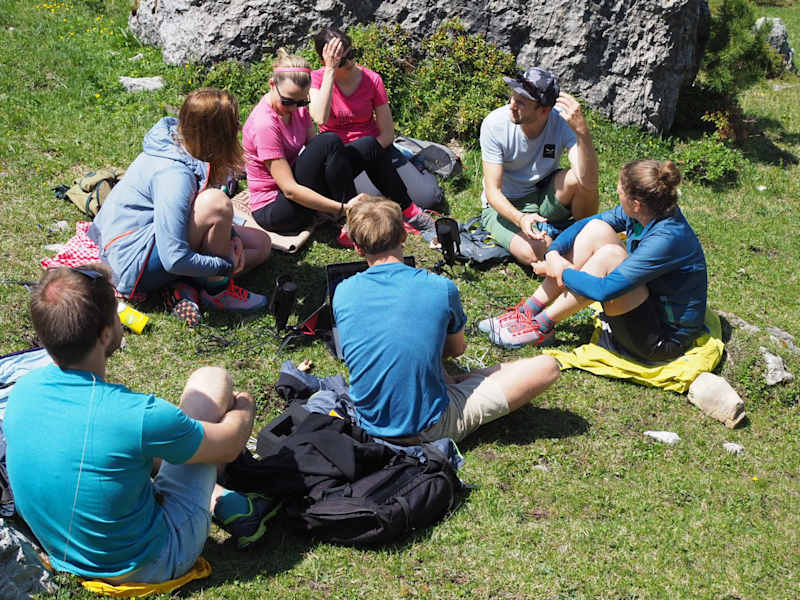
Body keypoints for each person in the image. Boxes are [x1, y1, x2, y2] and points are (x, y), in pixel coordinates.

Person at [4, 265, 279, 584]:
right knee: (210, 380)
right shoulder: (136, 415)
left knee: (142, 449)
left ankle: (221, 499)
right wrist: (244, 402)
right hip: (152, 562)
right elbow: (230, 445)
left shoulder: (23, 390)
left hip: (64, 553)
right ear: (106, 334)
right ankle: (219, 499)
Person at [332, 196, 561, 443]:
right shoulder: (439, 287)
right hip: (427, 427)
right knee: (547, 367)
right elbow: (456, 350)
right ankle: (459, 391)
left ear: (357, 247)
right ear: (404, 237)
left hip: (369, 422)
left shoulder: (342, 292)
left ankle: (457, 383)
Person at [480, 160, 708, 363]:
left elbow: (604, 290)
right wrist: (553, 254)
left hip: (659, 340)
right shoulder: (647, 210)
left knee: (611, 256)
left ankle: (541, 326)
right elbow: (589, 223)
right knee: (597, 229)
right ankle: (529, 311)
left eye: (620, 189)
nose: (616, 190)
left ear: (636, 203)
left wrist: (561, 269)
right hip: (648, 304)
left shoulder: (667, 239)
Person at [89, 88, 270, 312]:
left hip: (150, 240)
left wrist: (231, 238)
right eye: (234, 125)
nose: (239, 129)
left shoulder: (184, 142)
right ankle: (217, 291)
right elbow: (173, 258)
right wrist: (224, 266)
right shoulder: (175, 176)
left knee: (261, 244)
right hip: (132, 263)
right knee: (217, 203)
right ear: (217, 134)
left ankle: (187, 283)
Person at [309, 28, 436, 240]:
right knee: (370, 197)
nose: (349, 62)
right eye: (341, 60)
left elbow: (387, 134)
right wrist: (330, 72)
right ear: (327, 61)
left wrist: (371, 158)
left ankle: (403, 208)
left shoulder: (371, 79)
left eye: (352, 54)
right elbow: (320, 118)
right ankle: (355, 220)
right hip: (337, 159)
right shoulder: (317, 79)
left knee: (428, 197)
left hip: (374, 150)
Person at [480, 66, 600, 265]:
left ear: (544, 110)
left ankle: (582, 235)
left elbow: (590, 182)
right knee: (535, 251)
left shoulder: (561, 120)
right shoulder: (495, 125)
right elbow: (493, 193)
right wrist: (520, 219)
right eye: (513, 97)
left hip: (543, 192)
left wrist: (582, 133)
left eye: (521, 102)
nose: (512, 105)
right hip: (505, 204)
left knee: (579, 180)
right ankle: (563, 241)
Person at [243, 49, 366, 239]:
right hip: (276, 208)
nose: (294, 108)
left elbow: (316, 150)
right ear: (271, 85)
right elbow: (290, 190)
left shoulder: (297, 109)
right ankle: (351, 216)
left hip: (295, 189)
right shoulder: (265, 124)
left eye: (301, 102)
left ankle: (404, 209)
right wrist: (341, 208)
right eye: (287, 101)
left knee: (367, 146)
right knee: (330, 140)